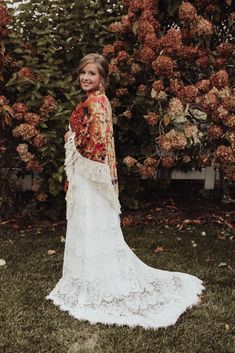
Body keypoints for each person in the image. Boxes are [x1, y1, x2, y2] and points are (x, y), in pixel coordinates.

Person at [46, 53, 204, 329]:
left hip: (89, 176)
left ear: (102, 78)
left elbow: (92, 142)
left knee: (90, 223)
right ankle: (90, 277)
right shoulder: (99, 101)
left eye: (91, 73)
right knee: (91, 224)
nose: (85, 77)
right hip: (89, 178)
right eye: (83, 72)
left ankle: (93, 282)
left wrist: (71, 137)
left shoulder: (95, 104)